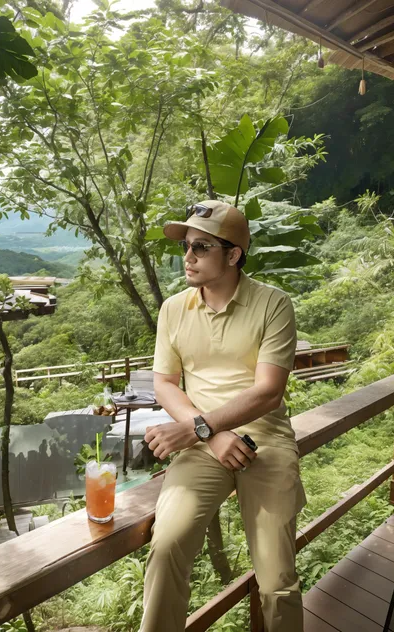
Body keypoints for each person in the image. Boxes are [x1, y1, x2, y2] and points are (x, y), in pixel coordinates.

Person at [140, 200, 307, 632]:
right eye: (186, 247)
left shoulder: (273, 304)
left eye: (201, 247)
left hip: (265, 442)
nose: (188, 257)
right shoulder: (174, 309)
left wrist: (199, 426)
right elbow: (165, 384)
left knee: (276, 579)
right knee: (167, 545)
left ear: (233, 255)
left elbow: (269, 391)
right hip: (202, 446)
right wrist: (209, 434)